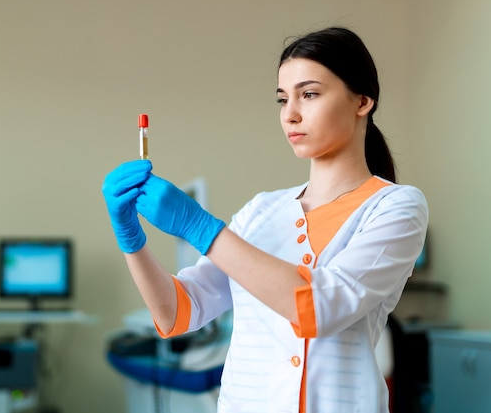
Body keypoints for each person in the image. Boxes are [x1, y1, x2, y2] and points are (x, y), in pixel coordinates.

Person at [102, 26, 428, 413]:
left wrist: (200, 227)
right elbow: (176, 312)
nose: (290, 114)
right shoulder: (261, 211)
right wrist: (131, 239)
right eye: (282, 98)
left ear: (362, 100)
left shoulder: (395, 207)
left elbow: (319, 308)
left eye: (309, 94)